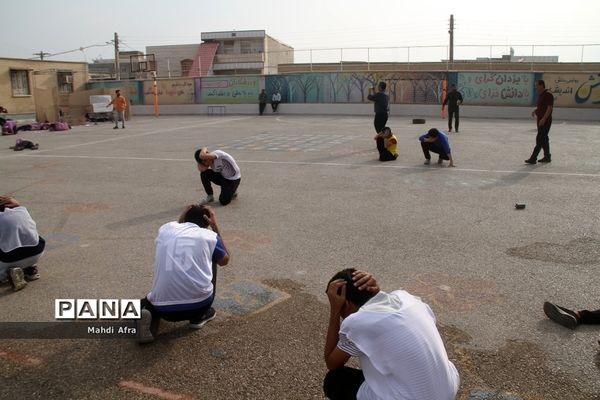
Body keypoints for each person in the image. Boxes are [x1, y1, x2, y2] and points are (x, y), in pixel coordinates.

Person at [323, 268, 459, 400]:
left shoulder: (358, 322)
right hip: (447, 390)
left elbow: (332, 363)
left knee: (335, 381)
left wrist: (334, 310)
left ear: (346, 304)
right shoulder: (409, 299)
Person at [137, 205, 230, 344]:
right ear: (206, 223)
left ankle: (146, 321)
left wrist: (185, 213)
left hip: (164, 310)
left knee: (144, 305)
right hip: (200, 305)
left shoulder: (166, 229)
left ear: (185, 218)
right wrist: (215, 226)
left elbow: (179, 225)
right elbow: (225, 260)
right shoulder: (210, 236)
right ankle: (199, 317)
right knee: (214, 255)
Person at [0, 196, 45, 291]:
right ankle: (30, 269)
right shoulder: (22, 210)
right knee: (27, 234)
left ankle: (7, 273)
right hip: (36, 253)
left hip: (9, 259)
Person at [525, 80, 554, 164]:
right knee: (544, 139)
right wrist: (535, 111)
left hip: (545, 121)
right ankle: (547, 156)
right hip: (540, 120)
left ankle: (533, 158)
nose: (535, 87)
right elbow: (542, 107)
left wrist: (544, 119)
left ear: (542, 85)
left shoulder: (548, 94)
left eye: (536, 85)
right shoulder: (541, 95)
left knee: (540, 139)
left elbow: (549, 108)